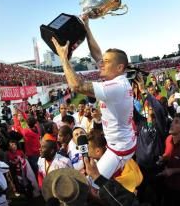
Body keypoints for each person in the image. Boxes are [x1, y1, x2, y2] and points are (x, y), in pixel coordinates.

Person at [51, 16, 136, 180]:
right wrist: (87, 27)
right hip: (120, 141)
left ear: (119, 67)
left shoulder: (116, 86)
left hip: (119, 149)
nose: (101, 63)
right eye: (102, 61)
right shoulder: (116, 78)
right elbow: (97, 53)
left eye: (106, 61)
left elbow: (77, 86)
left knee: (94, 183)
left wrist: (63, 57)